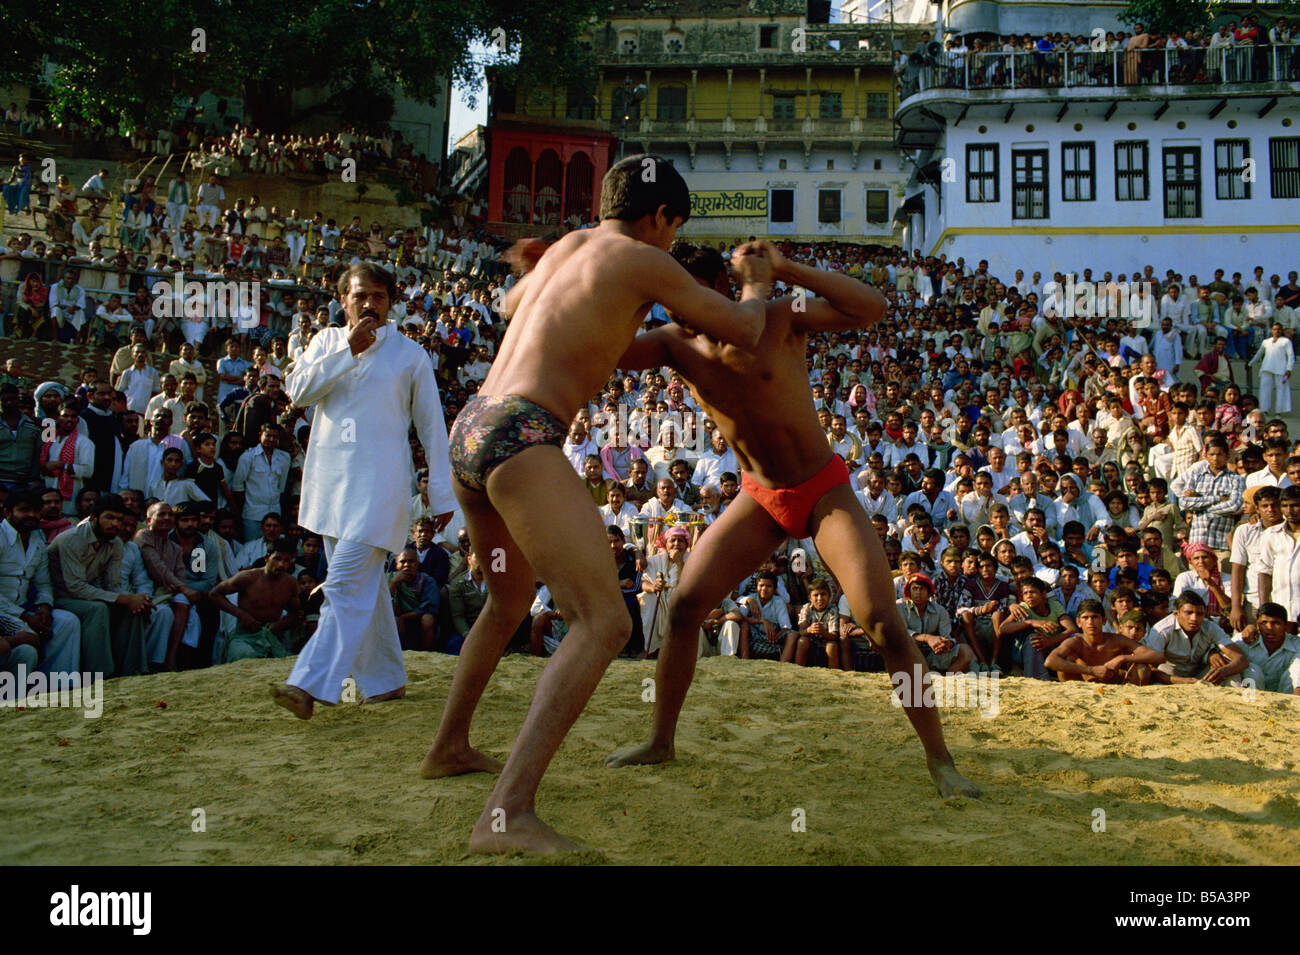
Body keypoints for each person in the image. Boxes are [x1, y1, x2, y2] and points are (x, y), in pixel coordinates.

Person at [420, 154, 769, 855]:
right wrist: (758, 284)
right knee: (604, 621)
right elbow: (743, 328)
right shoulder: (644, 257)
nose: (671, 241)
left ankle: (450, 743)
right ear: (659, 219)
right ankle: (506, 812)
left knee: (507, 598)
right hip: (522, 437)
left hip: (473, 432)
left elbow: (513, 307)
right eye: (673, 228)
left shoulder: (569, 248)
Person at [602, 239, 977, 800]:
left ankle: (941, 760)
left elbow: (870, 307)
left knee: (882, 622)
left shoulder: (781, 315)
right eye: (670, 297)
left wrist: (785, 268)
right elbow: (603, 346)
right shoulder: (672, 343)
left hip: (823, 490)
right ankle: (661, 739)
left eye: (686, 293)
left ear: (721, 290)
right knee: (682, 608)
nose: (680, 307)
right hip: (760, 496)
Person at [272, 262, 455, 718]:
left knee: (343, 588)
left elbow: (432, 427)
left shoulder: (410, 355)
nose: (369, 304)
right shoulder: (325, 343)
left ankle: (308, 684)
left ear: (390, 301)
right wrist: (347, 350)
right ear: (343, 300)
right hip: (330, 489)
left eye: (378, 296)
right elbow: (298, 392)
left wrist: (444, 495)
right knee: (365, 593)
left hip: (382, 491)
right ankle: (386, 680)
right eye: (360, 296)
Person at [208, 539, 302, 662]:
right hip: (244, 636)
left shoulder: (291, 583)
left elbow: (295, 613)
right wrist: (241, 615)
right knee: (246, 656)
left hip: (272, 637)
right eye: (277, 559)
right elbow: (214, 594)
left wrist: (279, 625)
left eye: (286, 561)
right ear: (267, 557)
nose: (281, 565)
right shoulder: (248, 577)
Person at [1044, 598, 1150, 683]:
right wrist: (1092, 670)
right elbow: (1050, 662)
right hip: (1080, 689)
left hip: (1118, 688)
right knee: (1067, 661)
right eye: (1086, 618)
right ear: (1078, 622)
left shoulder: (1116, 639)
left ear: (1103, 620)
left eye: (1095, 617)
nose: (1090, 622)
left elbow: (1156, 656)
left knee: (1142, 669)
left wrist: (1122, 658)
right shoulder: (1075, 641)